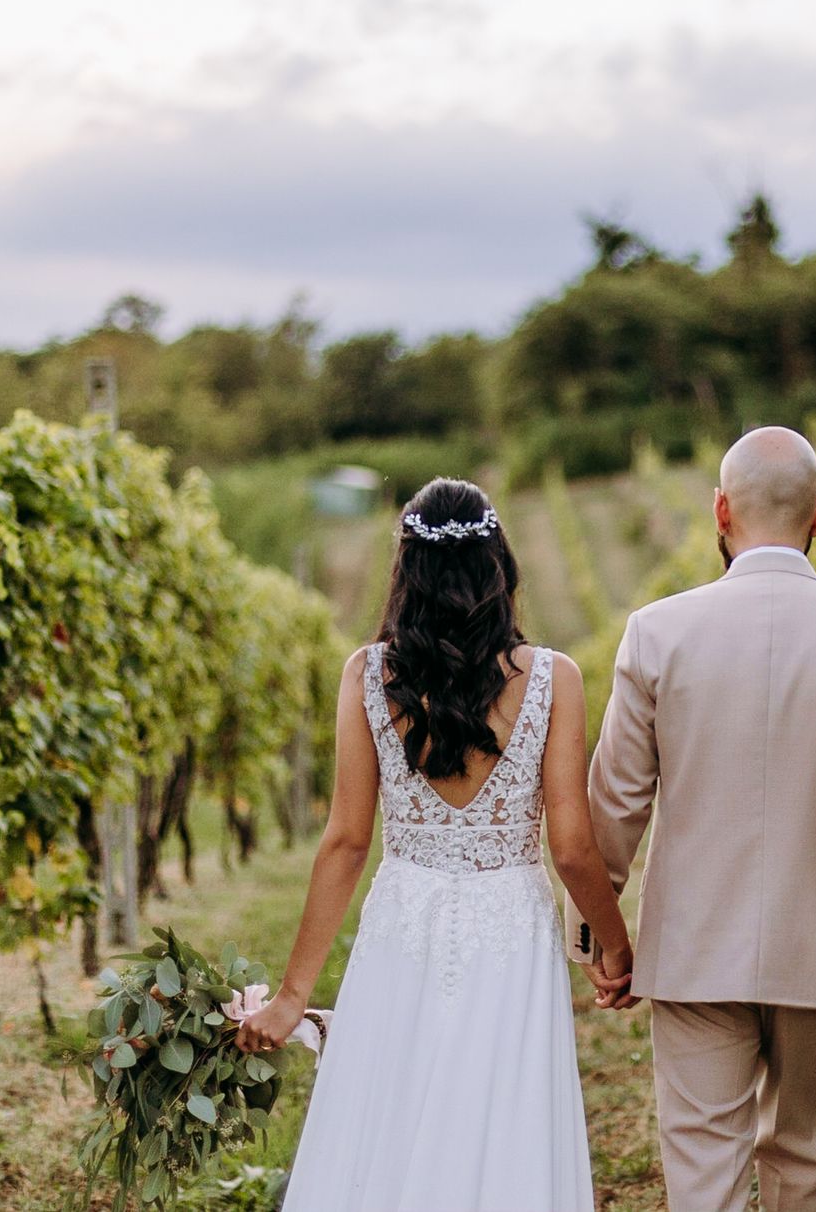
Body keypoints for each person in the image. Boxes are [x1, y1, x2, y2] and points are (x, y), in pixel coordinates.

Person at [236, 477, 632, 1212]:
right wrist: (615, 945)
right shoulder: (555, 679)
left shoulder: (368, 675)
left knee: (393, 1109)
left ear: (406, 572)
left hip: (404, 918)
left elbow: (346, 841)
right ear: (499, 568)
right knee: (503, 1116)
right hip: (510, 925)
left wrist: (293, 997)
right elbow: (573, 848)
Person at [581, 425, 816, 1212]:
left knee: (703, 1172)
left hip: (693, 946)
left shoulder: (656, 634)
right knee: (799, 1154)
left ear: (720, 509)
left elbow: (616, 800)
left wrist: (599, 935)